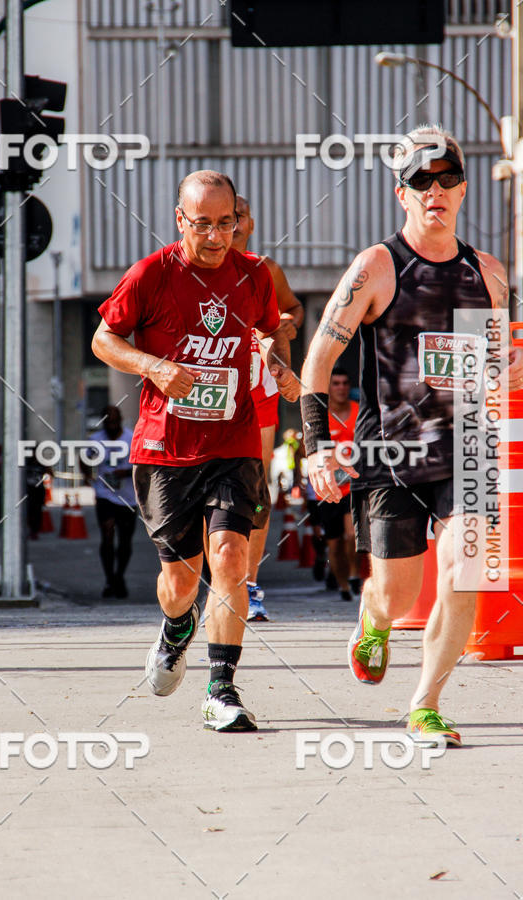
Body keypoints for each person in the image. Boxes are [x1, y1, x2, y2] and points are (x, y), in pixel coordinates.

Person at [300, 125, 523, 747]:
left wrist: (509, 364)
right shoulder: (377, 267)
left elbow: (500, 359)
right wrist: (319, 445)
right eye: (421, 181)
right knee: (397, 595)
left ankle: (424, 704)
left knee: (465, 570)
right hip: (391, 454)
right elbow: (318, 362)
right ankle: (372, 619)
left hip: (469, 446)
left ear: (464, 188)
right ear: (402, 194)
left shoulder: (490, 274)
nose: (436, 191)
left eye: (447, 179)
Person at [92, 169, 300, 732]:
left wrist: (278, 364)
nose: (215, 236)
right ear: (180, 219)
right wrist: (153, 365)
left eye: (226, 223)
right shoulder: (152, 275)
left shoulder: (255, 274)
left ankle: (221, 690)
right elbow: (103, 339)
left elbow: (267, 330)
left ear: (239, 220)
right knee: (181, 583)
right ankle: (176, 627)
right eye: (202, 224)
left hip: (232, 444)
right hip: (166, 452)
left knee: (231, 558)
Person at [229, 194, 304, 621]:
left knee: (255, 488)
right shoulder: (188, 269)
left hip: (259, 389)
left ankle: (251, 585)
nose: (231, 226)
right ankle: (221, 583)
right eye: (220, 219)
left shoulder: (264, 270)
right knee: (212, 489)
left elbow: (291, 310)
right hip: (212, 393)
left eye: (237, 217)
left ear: (250, 223)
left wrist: (285, 326)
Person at [305, 367, 360, 602]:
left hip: (354, 484)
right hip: (327, 488)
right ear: (328, 388)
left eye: (345, 383)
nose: (341, 388)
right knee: (334, 543)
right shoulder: (321, 417)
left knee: (351, 535)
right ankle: (343, 586)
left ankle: (355, 576)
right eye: (335, 383)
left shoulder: (358, 411)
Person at [82, 405, 137, 599]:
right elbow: (84, 457)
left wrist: (127, 472)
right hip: (104, 494)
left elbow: (144, 466)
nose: (112, 425)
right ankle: (109, 579)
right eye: (108, 422)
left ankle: (119, 576)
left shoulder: (131, 438)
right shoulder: (96, 440)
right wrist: (87, 474)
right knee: (107, 532)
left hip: (128, 497)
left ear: (120, 420)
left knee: (124, 540)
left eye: (115, 421)